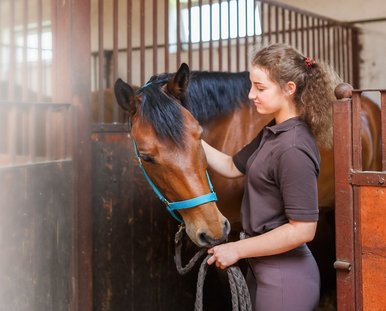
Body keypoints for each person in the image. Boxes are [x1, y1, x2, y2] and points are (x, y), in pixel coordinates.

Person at [202, 43, 340, 311]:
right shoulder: (275, 130)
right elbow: (232, 167)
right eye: (252, 85)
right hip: (263, 271)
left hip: (285, 280)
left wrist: (237, 250)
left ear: (289, 88)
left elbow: (303, 229)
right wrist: (193, 137)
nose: (251, 94)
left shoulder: (294, 147)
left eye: (261, 88)